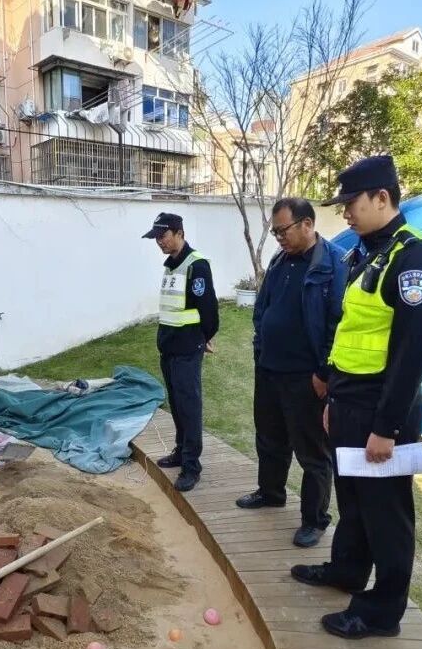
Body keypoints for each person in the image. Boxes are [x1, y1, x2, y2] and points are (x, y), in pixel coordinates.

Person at [292, 155, 422, 639]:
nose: (345, 212)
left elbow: (412, 355)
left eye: (352, 202)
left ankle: (380, 613)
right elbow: (352, 331)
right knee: (352, 500)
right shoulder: (367, 252)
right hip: (350, 401)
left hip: (382, 410)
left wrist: (386, 428)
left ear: (382, 197)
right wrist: (333, 396)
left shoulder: (412, 259)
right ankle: (347, 570)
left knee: (386, 514)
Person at [235, 199, 347, 548]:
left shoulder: (333, 263)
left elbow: (338, 324)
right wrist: (260, 348)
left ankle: (315, 520)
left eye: (283, 230)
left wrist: (323, 372)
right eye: (275, 232)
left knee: (312, 452)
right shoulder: (279, 259)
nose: (278, 237)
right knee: (269, 438)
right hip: (270, 368)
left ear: (307, 224)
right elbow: (263, 308)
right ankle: (271, 493)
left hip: (306, 376)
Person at [143, 212, 219, 492]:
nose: (159, 242)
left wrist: (203, 338)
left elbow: (209, 310)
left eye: (163, 236)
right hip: (169, 347)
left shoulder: (196, 265)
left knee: (189, 406)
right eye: (156, 238)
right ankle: (180, 450)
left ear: (179, 233)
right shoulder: (171, 266)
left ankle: (191, 466)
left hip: (187, 348)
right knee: (176, 403)